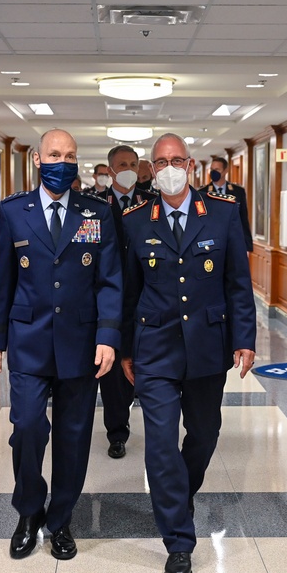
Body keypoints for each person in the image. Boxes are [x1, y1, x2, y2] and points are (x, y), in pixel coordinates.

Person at [120, 133, 256, 573]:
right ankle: (179, 541)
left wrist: (245, 339)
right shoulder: (136, 220)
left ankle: (181, 492)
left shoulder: (222, 213)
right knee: (159, 445)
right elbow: (127, 291)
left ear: (192, 165)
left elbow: (238, 282)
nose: (170, 168)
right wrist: (124, 348)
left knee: (204, 433)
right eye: (161, 163)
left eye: (178, 160)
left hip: (207, 347)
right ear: (152, 170)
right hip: (154, 349)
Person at [0, 128, 122, 561]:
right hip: (28, 342)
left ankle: (60, 519)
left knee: (74, 436)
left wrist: (107, 337)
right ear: (39, 160)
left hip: (81, 345)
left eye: (71, 156)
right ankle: (28, 512)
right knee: (27, 427)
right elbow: (2, 280)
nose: (63, 162)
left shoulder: (96, 212)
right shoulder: (15, 211)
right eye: (55, 154)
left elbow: (110, 281)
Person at [97, 144, 155, 459]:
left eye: (134, 163)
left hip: (146, 298)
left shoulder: (152, 204)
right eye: (122, 164)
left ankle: (153, 419)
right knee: (113, 373)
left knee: (143, 362)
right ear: (110, 170)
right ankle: (117, 432)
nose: (129, 168)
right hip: (109, 300)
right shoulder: (96, 206)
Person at [199, 157, 253, 253]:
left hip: (234, 242)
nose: (213, 172)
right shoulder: (202, 193)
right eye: (212, 169)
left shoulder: (238, 191)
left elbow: (243, 218)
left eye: (217, 170)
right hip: (212, 242)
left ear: (225, 171)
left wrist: (247, 245)